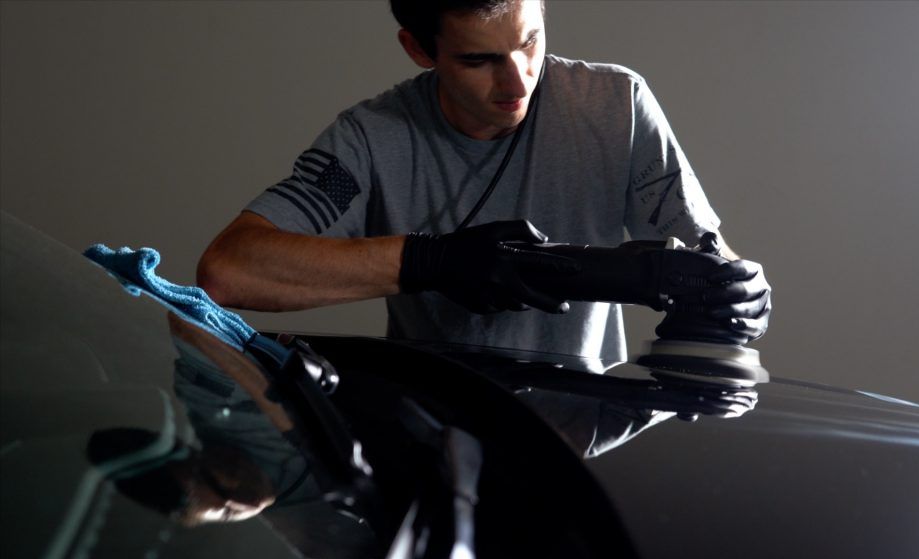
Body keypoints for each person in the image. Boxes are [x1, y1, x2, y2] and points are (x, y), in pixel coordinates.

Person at [197, 0, 770, 363]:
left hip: (582, 443)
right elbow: (230, 270)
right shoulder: (372, 140)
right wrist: (433, 262)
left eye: (529, 42)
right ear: (419, 49)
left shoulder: (616, 106)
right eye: (478, 60)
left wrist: (734, 290)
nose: (517, 81)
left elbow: (705, 253)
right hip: (437, 439)